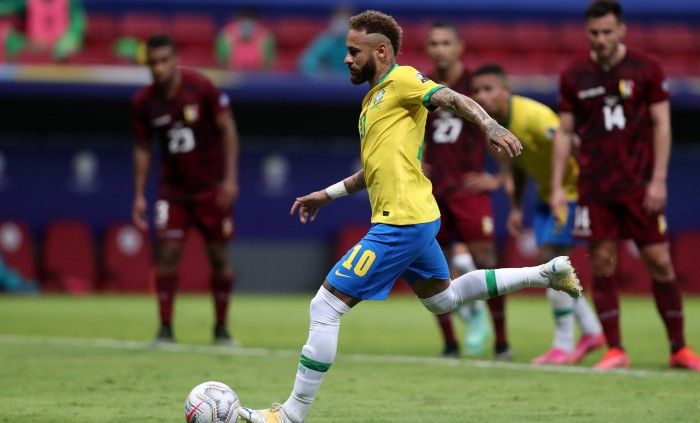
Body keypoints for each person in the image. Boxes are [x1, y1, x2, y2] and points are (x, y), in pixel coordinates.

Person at [238, 10, 582, 423]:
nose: (346, 59)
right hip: (414, 218)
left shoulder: (402, 81)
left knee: (325, 306)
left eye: (353, 52)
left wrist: (489, 125)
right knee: (444, 299)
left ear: (381, 52)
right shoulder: (373, 100)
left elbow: (453, 97)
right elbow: (374, 170)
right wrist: (327, 195)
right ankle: (546, 272)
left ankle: (290, 415)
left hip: (400, 223)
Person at [550, 0, 700, 372]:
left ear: (621, 30)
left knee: (660, 261)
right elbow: (564, 133)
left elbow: (662, 125)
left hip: (640, 186)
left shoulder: (648, 68)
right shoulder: (575, 73)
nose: (601, 39)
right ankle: (615, 349)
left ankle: (679, 349)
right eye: (594, 33)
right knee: (604, 265)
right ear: (586, 32)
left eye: (608, 32)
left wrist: (658, 179)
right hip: (595, 188)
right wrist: (559, 186)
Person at [471, 64, 605, 365]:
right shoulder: (493, 126)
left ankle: (563, 344)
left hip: (570, 193)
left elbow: (570, 142)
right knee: (553, 264)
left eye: (488, 89)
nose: (482, 96)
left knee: (554, 264)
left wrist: (574, 190)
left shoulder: (533, 116)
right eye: (477, 91)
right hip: (548, 195)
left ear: (506, 89)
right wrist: (517, 207)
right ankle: (592, 332)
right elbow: (517, 167)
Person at [131, 34, 240, 346]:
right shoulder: (143, 102)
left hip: (211, 188)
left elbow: (227, 128)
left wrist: (230, 179)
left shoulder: (201, 87)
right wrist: (139, 193)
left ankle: (221, 329)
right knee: (167, 253)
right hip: (173, 191)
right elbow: (142, 147)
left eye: (164, 61)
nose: (159, 68)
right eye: (153, 63)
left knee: (219, 257)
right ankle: (165, 329)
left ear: (175, 59)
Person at [422, 21, 507, 359]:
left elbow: (504, 129)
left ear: (459, 48)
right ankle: (449, 343)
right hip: (432, 192)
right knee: (432, 267)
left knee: (487, 259)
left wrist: (498, 179)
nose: (439, 49)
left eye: (445, 43)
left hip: (469, 190)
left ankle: (501, 341)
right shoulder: (420, 86)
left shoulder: (476, 86)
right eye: (433, 43)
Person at [0, 0, 85, 61]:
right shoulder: (29, 2)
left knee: (70, 41)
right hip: (33, 43)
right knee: (6, 33)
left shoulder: (69, 2)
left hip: (61, 43)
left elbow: (78, 25)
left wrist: (66, 40)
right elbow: (7, 7)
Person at [298, 5, 351, 77]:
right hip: (328, 85)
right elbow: (307, 64)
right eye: (339, 19)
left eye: (345, 20)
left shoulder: (360, 43)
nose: (342, 23)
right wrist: (323, 73)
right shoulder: (326, 41)